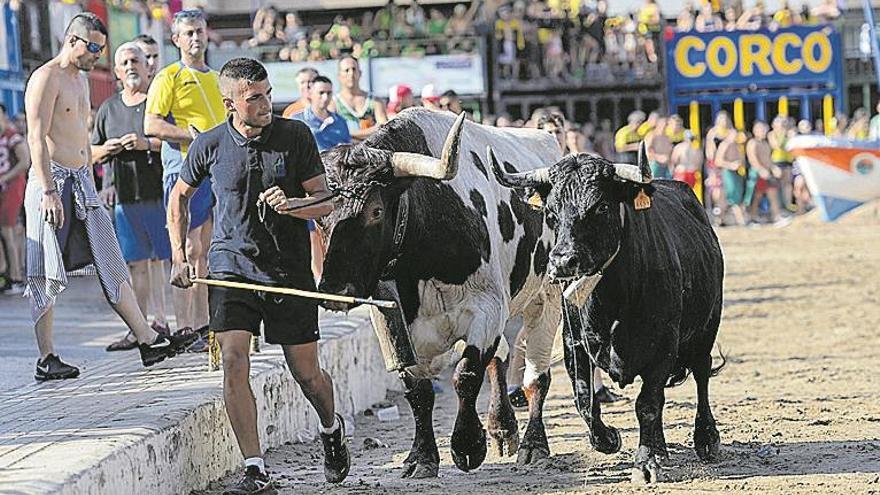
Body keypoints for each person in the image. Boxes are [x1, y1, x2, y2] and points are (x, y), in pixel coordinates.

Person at [167, 58, 350, 493]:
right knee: (232, 359)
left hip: (288, 271)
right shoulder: (209, 144)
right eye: (255, 98)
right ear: (231, 103)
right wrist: (179, 256)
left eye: (267, 93)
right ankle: (254, 465)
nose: (267, 103)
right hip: (230, 266)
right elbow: (179, 198)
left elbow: (325, 201)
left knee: (306, 373)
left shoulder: (295, 135)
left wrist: (292, 204)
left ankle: (330, 427)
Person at [23, 13, 196, 380]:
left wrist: (90, 179)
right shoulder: (45, 78)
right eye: (93, 47)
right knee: (45, 268)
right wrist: (50, 191)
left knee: (112, 261)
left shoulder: (81, 81)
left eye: (101, 49)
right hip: (50, 181)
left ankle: (148, 340)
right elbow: (35, 137)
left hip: (83, 182)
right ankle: (46, 356)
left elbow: (82, 140)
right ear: (72, 40)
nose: (97, 55)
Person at [507, 112, 624, 408]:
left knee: (589, 321)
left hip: (581, 257)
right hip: (548, 256)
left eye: (557, 131)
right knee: (537, 321)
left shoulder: (580, 164)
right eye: (547, 132)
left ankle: (595, 386)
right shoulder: (535, 170)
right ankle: (513, 385)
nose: (554, 137)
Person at [145, 9, 225, 342]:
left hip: (216, 171)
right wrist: (189, 135)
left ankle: (204, 323)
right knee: (187, 250)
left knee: (206, 249)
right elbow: (150, 125)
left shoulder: (218, 77)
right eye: (188, 33)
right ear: (176, 39)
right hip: (183, 170)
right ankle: (184, 327)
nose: (196, 38)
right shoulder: (168, 77)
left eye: (200, 31)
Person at [92, 43, 173, 350]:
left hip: (156, 192)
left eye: (135, 61)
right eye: (124, 62)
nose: (131, 67)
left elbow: (171, 142)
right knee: (135, 263)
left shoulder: (156, 102)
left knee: (159, 259)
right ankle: (138, 328)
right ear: (116, 71)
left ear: (146, 66)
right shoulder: (108, 108)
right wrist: (108, 152)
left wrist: (146, 143)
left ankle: (163, 320)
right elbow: (92, 151)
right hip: (125, 197)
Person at [0, 103, 29, 295]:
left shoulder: (13, 137)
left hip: (12, 188)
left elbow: (25, 161)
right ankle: (7, 272)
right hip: (3, 189)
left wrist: (5, 177)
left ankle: (16, 277)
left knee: (8, 232)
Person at [329, 55, 387, 141]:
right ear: (339, 76)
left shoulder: (375, 101)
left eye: (354, 69)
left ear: (360, 73)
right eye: (347, 70)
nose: (351, 74)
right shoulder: (333, 103)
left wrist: (349, 133)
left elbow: (383, 127)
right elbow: (333, 131)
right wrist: (371, 131)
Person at [745, 121, 784, 223]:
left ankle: (776, 216)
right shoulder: (752, 143)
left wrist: (774, 168)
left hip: (766, 174)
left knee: (772, 193)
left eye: (764, 129)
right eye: (760, 129)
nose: (763, 131)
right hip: (757, 174)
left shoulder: (765, 143)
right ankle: (752, 218)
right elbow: (752, 159)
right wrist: (761, 170)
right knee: (755, 197)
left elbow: (768, 160)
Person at [714, 129, 748, 225]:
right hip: (727, 173)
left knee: (729, 197)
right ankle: (740, 220)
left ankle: (720, 220)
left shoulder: (738, 146)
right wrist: (731, 165)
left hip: (736, 173)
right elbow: (718, 161)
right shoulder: (725, 145)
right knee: (732, 197)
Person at [768, 115, 794, 211]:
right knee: (776, 185)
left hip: (788, 161)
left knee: (787, 184)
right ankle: (778, 208)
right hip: (777, 161)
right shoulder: (771, 134)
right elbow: (777, 145)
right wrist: (783, 134)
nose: (782, 125)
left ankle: (788, 205)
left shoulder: (789, 133)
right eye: (780, 122)